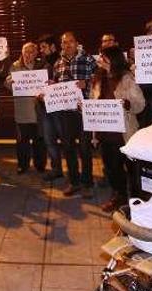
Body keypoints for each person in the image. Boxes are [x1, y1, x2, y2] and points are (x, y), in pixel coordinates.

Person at [90, 46, 145, 212]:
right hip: (105, 132)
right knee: (112, 168)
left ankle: (137, 201)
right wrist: (84, 108)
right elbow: (93, 101)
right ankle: (119, 196)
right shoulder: (98, 78)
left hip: (124, 132)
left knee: (131, 169)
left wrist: (127, 104)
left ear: (114, 60)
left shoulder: (127, 78)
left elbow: (140, 104)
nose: (100, 60)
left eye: (104, 58)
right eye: (100, 57)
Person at [51, 31, 96, 197]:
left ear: (77, 43)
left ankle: (87, 183)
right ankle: (74, 182)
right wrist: (51, 87)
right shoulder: (58, 64)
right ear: (61, 45)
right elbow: (56, 84)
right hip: (65, 112)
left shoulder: (88, 58)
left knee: (85, 149)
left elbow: (99, 77)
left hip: (83, 111)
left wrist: (88, 82)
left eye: (71, 41)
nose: (67, 45)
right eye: (64, 42)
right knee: (68, 148)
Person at [5, 43, 47, 174]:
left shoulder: (42, 66)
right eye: (25, 52)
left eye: (31, 52)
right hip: (22, 111)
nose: (28, 55)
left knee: (39, 140)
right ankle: (22, 165)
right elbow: (7, 83)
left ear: (36, 54)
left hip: (38, 111)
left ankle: (40, 165)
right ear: (22, 53)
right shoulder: (15, 66)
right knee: (22, 141)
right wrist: (9, 83)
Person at [36, 34, 63, 181]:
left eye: (44, 47)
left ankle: (72, 171)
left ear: (53, 46)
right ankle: (56, 168)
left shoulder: (62, 61)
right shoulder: (41, 63)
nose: (41, 50)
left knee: (66, 139)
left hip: (60, 108)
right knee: (49, 139)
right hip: (45, 108)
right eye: (40, 47)